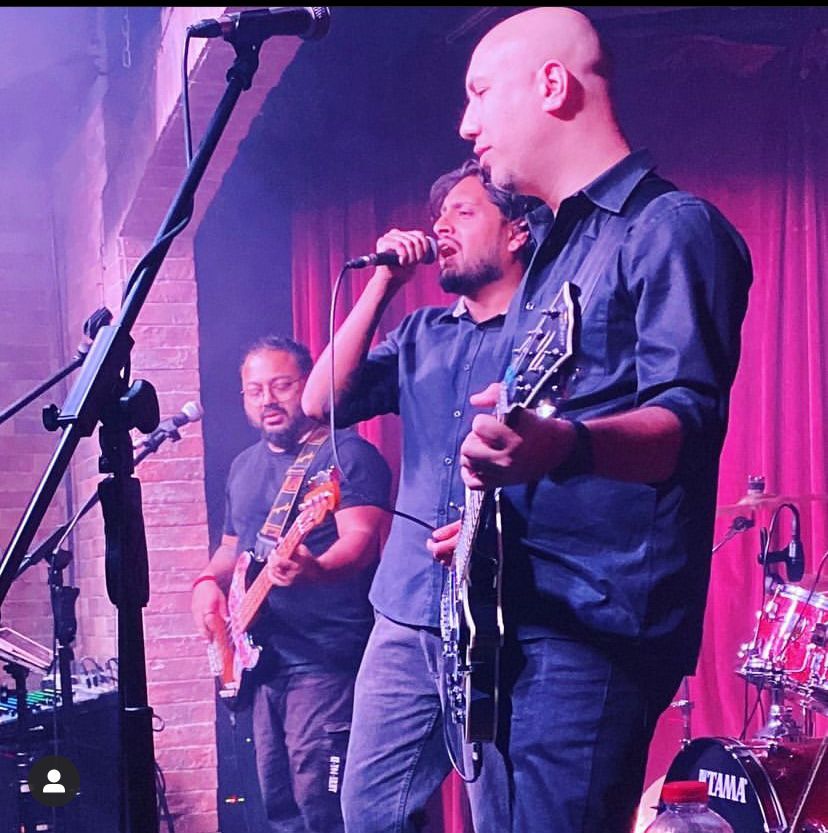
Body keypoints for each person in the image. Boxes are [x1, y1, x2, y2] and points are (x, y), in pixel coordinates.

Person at [430, 6, 753, 833]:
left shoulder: (670, 228)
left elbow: (686, 423)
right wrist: (490, 518)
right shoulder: (553, 250)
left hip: (592, 629)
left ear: (552, 85)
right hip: (514, 612)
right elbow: (546, 418)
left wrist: (558, 446)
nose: (466, 124)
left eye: (480, 92)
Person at [301, 158, 537, 832]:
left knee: (504, 815)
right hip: (405, 612)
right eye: (438, 217)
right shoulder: (419, 334)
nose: (442, 227)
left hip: (506, 617)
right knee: (370, 810)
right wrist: (383, 283)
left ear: (517, 231)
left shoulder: (546, 333)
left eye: (463, 212)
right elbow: (318, 402)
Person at [191, 335, 392, 833]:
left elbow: (361, 541)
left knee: (323, 803)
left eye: (281, 385)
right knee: (279, 804)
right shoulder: (243, 466)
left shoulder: (345, 456)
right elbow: (231, 549)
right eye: (255, 390)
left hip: (327, 657)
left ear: (309, 385)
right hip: (262, 659)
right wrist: (206, 583)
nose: (268, 399)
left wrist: (316, 569)